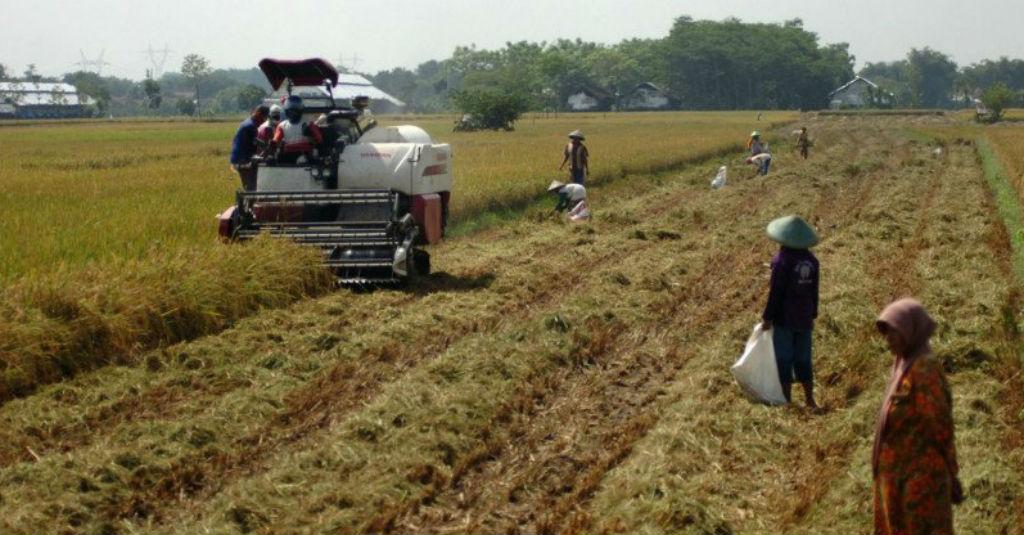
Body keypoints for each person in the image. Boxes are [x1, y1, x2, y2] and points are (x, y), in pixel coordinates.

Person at [873, 298, 962, 535]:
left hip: (921, 482)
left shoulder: (924, 369)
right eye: (886, 334)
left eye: (894, 332)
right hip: (897, 478)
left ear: (912, 331)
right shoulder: (902, 365)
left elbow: (941, 426)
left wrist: (952, 473)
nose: (888, 339)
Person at [762, 215, 820, 408]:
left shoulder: (782, 261)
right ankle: (810, 399)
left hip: (785, 319)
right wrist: (813, 313)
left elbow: (776, 292)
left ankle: (787, 400)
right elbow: (814, 290)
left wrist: (768, 317)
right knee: (804, 359)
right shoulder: (812, 261)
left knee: (784, 358)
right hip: (804, 318)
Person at [269, 96, 323, 163]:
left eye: (295, 111)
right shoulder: (282, 125)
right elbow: (276, 140)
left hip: (305, 154)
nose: (293, 113)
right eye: (291, 111)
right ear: (287, 111)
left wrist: (310, 134)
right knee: (274, 160)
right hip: (288, 156)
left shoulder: (308, 124)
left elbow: (319, 140)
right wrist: (272, 145)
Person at [229, 104, 269, 190]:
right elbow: (257, 142)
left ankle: (250, 200)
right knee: (251, 187)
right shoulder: (251, 126)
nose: (264, 121)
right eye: (264, 118)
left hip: (239, 158)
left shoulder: (248, 122)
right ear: (258, 114)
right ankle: (249, 201)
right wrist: (269, 147)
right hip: (242, 160)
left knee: (252, 184)